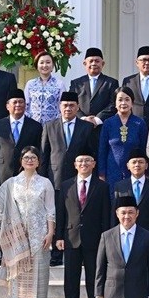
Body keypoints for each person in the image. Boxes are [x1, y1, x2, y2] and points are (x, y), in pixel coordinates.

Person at [0, 145, 56, 298]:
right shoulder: (12, 183)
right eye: (26, 157)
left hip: (39, 233)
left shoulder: (45, 183)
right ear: (21, 161)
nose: (30, 160)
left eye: (33, 158)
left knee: (37, 271)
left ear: (38, 162)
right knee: (19, 272)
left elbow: (51, 209)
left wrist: (50, 233)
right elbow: (0, 204)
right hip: (17, 234)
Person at [56, 149, 111, 298]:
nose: (84, 164)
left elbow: (106, 215)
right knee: (70, 276)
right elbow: (61, 214)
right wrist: (59, 236)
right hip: (71, 237)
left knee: (93, 276)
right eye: (80, 161)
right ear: (75, 165)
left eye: (88, 160)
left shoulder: (102, 186)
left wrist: (106, 238)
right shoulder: (66, 185)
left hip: (94, 239)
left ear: (94, 164)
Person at [41, 91, 95, 266]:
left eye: (72, 105)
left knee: (75, 215)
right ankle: (56, 254)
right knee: (57, 216)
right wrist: (42, 179)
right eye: (65, 105)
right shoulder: (49, 126)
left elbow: (91, 152)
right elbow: (44, 153)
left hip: (77, 179)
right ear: (59, 106)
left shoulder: (86, 127)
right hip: (54, 179)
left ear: (78, 107)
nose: (68, 108)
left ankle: (76, 251)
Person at [0, 88, 43, 189]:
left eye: (21, 102)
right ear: (7, 106)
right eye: (15, 102)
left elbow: (38, 152)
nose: (18, 105)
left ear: (25, 105)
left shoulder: (35, 126)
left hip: (27, 175)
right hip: (2, 175)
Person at [98, 87, 149, 193]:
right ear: (115, 103)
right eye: (120, 99)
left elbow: (144, 149)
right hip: (112, 172)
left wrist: (145, 172)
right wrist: (101, 174)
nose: (123, 103)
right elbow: (102, 150)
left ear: (132, 102)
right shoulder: (108, 123)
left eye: (127, 99)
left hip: (135, 172)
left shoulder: (139, 123)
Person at [114, 149, 149, 252]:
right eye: (134, 162)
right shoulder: (120, 186)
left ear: (146, 165)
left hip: (148, 234)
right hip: (125, 233)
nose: (137, 165)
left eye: (141, 162)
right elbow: (115, 212)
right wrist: (114, 235)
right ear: (128, 165)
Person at [71, 47, 119, 126]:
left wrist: (97, 119)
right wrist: (83, 118)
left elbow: (113, 103)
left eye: (97, 61)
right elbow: (72, 103)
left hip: (103, 125)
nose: (94, 64)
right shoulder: (76, 83)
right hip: (80, 126)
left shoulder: (111, 82)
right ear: (85, 64)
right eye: (91, 61)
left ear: (102, 64)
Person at [24, 51, 64, 124]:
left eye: (48, 62)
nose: (45, 65)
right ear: (37, 66)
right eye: (41, 62)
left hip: (53, 126)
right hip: (32, 125)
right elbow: (25, 105)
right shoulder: (30, 84)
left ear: (52, 66)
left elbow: (63, 105)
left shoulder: (59, 84)